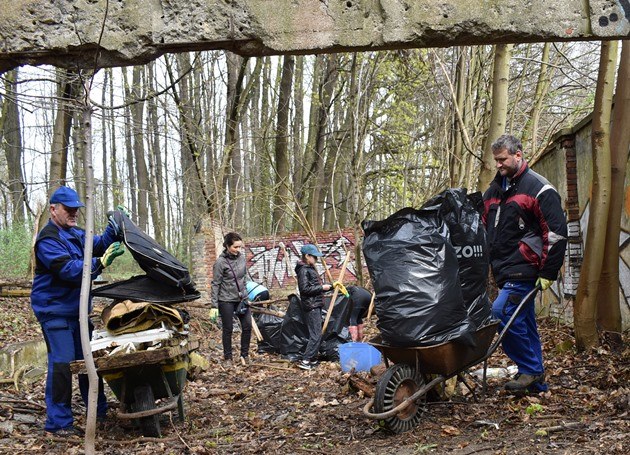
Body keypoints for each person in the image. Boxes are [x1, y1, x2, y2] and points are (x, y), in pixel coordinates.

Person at [31, 186, 125, 436]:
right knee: (62, 364)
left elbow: (99, 243)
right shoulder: (48, 239)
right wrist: (99, 263)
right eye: (68, 209)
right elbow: (70, 270)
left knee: (87, 361)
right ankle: (58, 423)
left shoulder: (75, 233)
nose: (74, 213)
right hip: (55, 311)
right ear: (53, 209)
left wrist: (115, 228)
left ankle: (99, 412)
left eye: (76, 209)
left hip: (77, 311)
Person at [482, 134, 567, 393]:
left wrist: (549, 270)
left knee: (502, 314)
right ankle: (536, 383)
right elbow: (484, 227)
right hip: (503, 269)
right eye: (496, 160)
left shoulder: (539, 188)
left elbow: (556, 232)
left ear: (518, 155)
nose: (498, 165)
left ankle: (530, 369)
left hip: (525, 268)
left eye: (503, 159)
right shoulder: (494, 192)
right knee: (525, 321)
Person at [211, 232, 252, 366]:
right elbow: (215, 284)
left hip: (242, 299)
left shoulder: (241, 258)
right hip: (226, 299)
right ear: (227, 246)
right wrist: (214, 306)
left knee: (247, 326)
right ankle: (228, 358)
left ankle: (244, 355)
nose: (238, 250)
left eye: (240, 247)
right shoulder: (220, 262)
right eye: (235, 247)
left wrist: (245, 293)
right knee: (228, 329)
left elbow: (244, 277)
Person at [295, 244, 332, 370]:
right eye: (314, 257)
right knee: (315, 334)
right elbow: (304, 289)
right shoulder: (303, 270)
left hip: (315, 303)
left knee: (316, 333)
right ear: (307, 256)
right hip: (311, 305)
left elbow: (313, 287)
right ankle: (306, 360)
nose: (316, 259)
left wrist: (330, 287)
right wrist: (322, 287)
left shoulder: (309, 268)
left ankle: (312, 359)